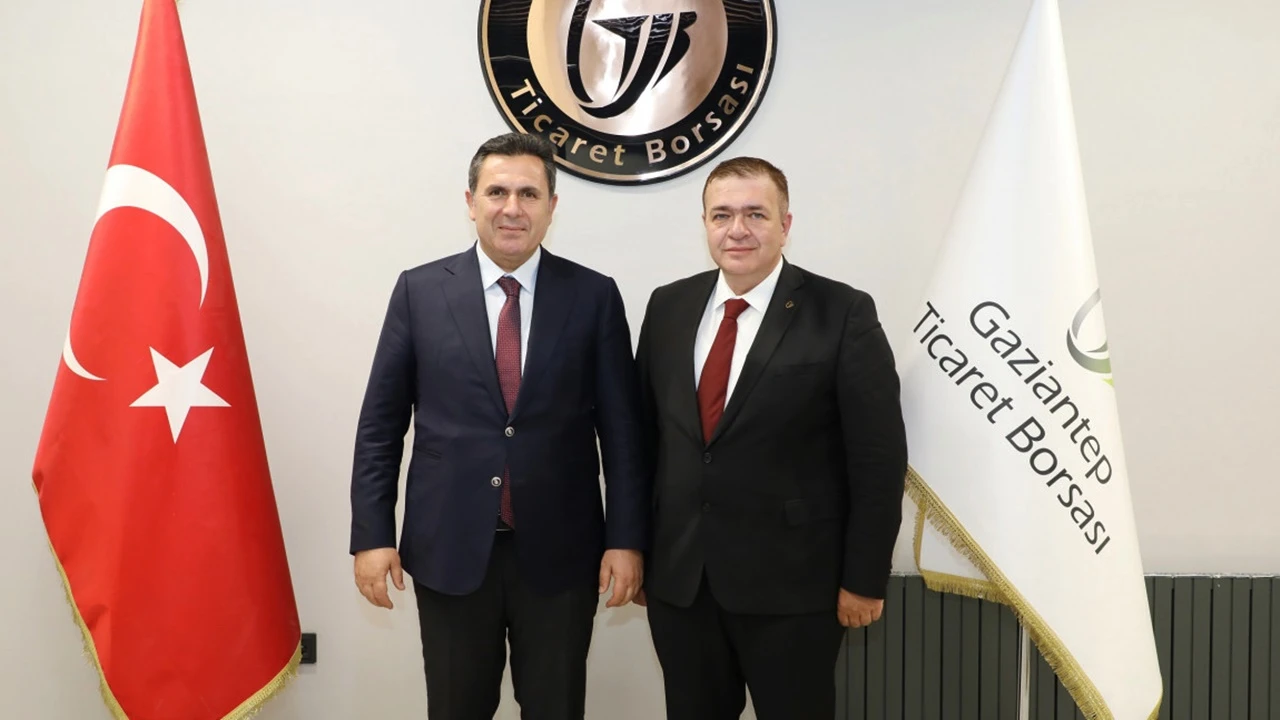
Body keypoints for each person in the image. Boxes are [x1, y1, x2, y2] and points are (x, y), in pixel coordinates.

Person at [349, 132, 648, 719]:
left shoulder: (594, 296)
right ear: (471, 201)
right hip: (449, 550)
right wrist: (372, 535)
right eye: (497, 192)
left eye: (529, 194)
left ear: (552, 207)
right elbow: (380, 426)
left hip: (562, 556)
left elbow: (623, 436)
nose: (513, 208)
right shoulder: (419, 292)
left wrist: (626, 539)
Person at [634, 156, 908, 719]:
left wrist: (864, 578)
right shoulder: (668, 306)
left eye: (756, 214)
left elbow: (878, 459)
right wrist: (636, 549)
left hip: (795, 590)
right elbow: (643, 444)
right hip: (683, 585)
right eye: (722, 215)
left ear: (785, 225)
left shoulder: (842, 312)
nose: (737, 229)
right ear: (705, 225)